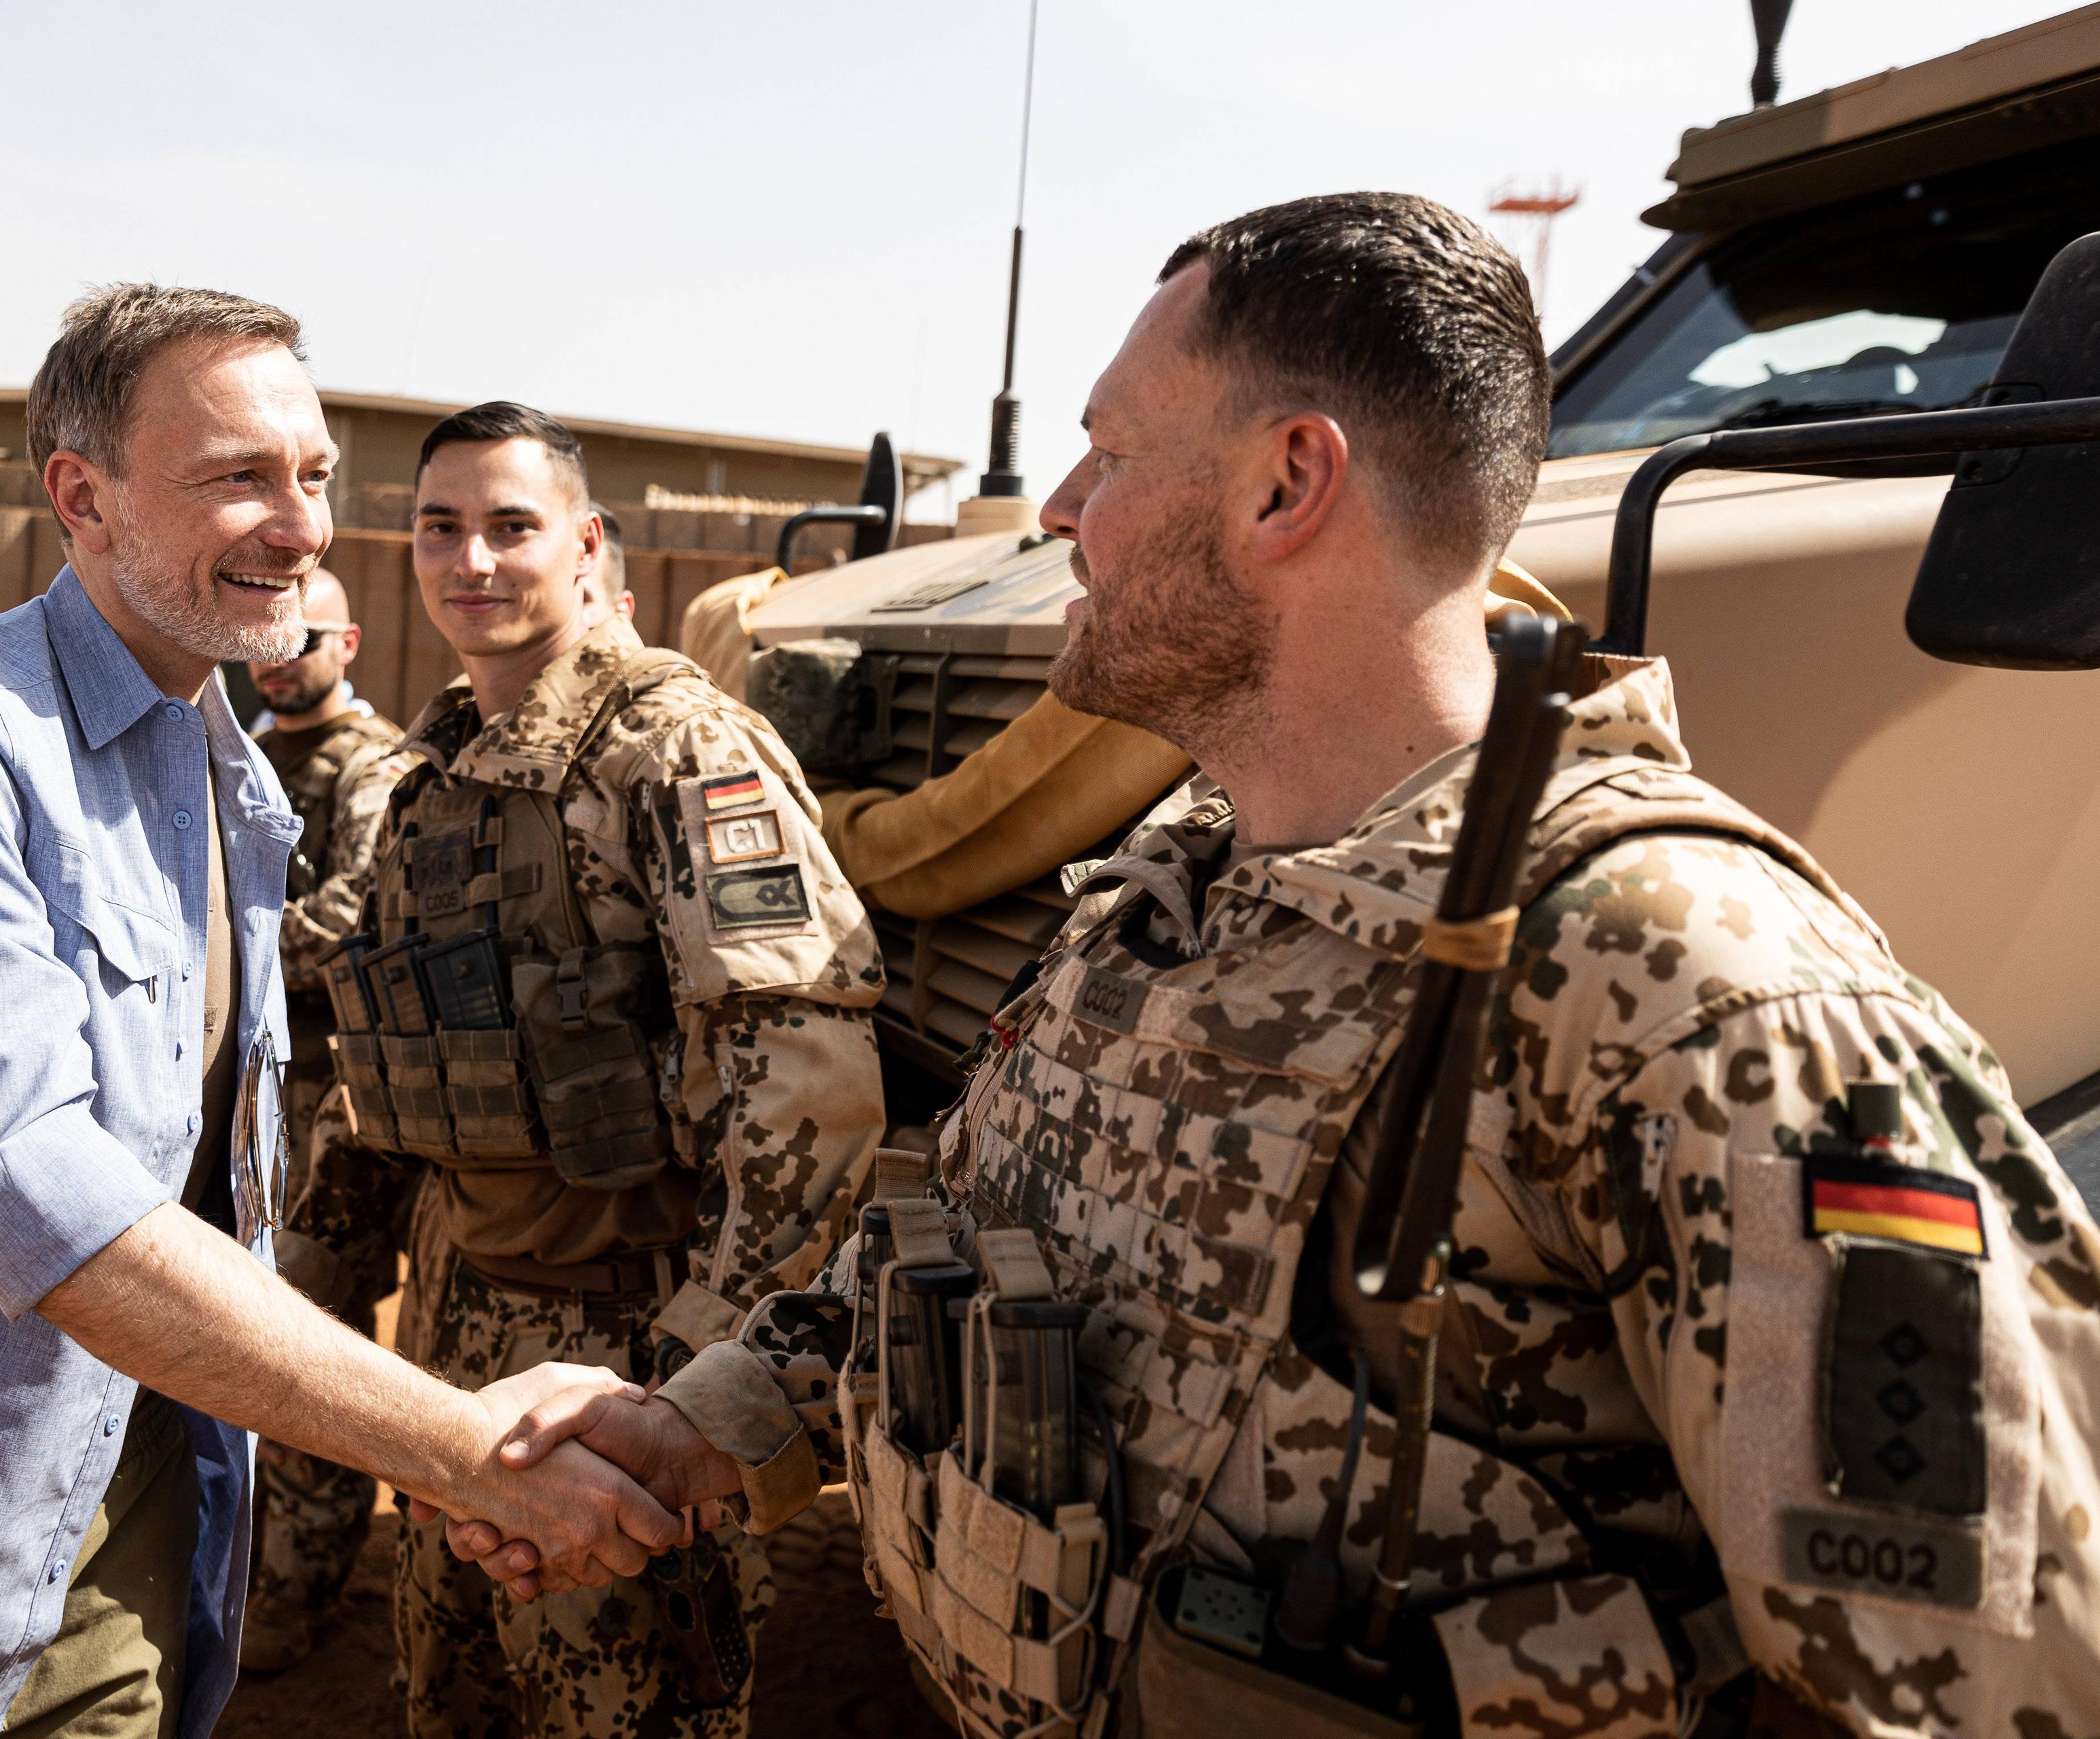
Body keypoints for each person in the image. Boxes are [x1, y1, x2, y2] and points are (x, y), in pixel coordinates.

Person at [458, 197, 2100, 1737]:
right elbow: (953, 1255)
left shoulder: (1680, 977)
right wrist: (701, 1419)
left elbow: (2004, 1661)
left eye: (1107, 455)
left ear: (1284, 484)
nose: (1059, 512)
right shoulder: (1165, 893)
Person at [0, 287, 683, 1739]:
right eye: (238, 476)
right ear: (84, 496)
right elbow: (33, 1185)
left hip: (125, 1532)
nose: (302, 527)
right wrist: (462, 1446)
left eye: (313, 476)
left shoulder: (225, 772)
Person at [335, 401, 886, 1738]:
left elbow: (807, 1097)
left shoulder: (679, 752)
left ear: (586, 546)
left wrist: (700, 1381)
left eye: (512, 526)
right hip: (462, 1338)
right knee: (450, 1689)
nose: (474, 559)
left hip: (625, 1351)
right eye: (441, 527)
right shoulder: (439, 773)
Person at [238, 573, 424, 1670]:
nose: (277, 654)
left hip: (330, 1102)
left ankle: (298, 1584)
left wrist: (222, 945)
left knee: (309, 1331)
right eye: (262, 636)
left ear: (347, 641)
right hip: (246, 1086)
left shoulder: (376, 767)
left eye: (299, 636)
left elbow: (359, 916)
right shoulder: (245, 746)